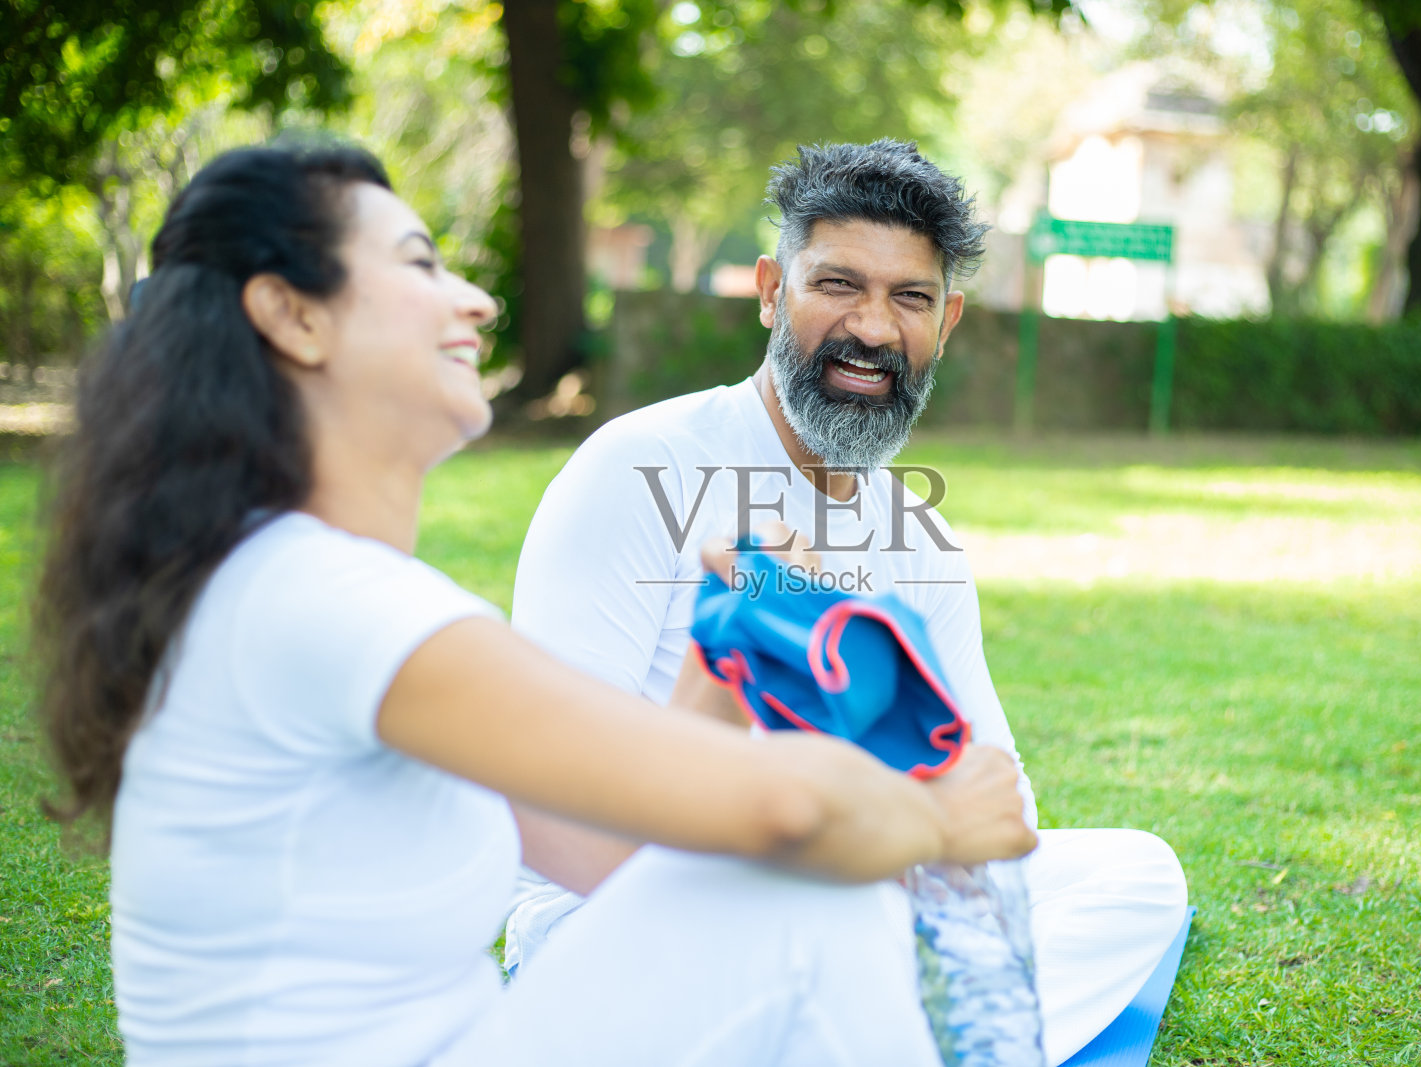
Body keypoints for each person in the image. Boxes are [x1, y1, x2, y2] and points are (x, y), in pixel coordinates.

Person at [32, 143, 1038, 1066]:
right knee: (814, 912)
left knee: (942, 892)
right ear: (294, 315)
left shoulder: (303, 581)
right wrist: (931, 817)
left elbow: (611, 842)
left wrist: (718, 673)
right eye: (422, 265)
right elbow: (783, 809)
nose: (474, 300)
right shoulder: (319, 599)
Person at [505, 139, 1190, 1065]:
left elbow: (997, 800)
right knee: (846, 910)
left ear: (945, 322)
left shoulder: (925, 539)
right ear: (769, 290)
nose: (872, 329)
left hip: (867, 882)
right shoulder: (636, 467)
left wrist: (907, 835)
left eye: (909, 298)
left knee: (1136, 873)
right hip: (635, 911)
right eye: (837, 285)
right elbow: (560, 793)